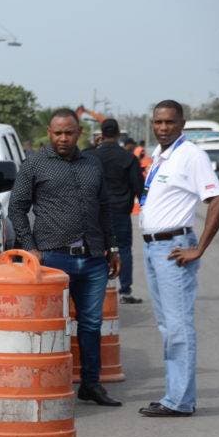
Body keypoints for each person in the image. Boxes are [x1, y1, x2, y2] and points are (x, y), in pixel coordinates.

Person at [8, 108, 122, 407]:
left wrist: (112, 247)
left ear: (78, 133)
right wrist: (29, 246)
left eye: (69, 132)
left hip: (94, 258)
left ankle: (91, 384)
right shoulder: (34, 163)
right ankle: (46, 385)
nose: (63, 138)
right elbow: (17, 208)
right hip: (52, 259)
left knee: (91, 324)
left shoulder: (92, 163)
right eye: (57, 132)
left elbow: (105, 208)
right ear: (49, 132)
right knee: (49, 326)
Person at [136, 100, 219, 417]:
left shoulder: (191, 156)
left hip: (174, 247)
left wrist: (198, 248)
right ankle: (175, 395)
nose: (163, 128)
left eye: (169, 123)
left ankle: (180, 401)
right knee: (166, 325)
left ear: (182, 124)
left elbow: (218, 201)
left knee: (178, 326)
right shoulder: (161, 156)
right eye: (158, 122)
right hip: (154, 247)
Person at [84, 119, 145, 304]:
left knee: (94, 249)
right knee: (123, 249)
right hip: (119, 211)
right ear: (118, 134)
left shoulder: (90, 156)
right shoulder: (128, 158)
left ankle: (95, 289)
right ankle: (125, 292)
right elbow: (139, 188)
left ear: (101, 135)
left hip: (94, 212)